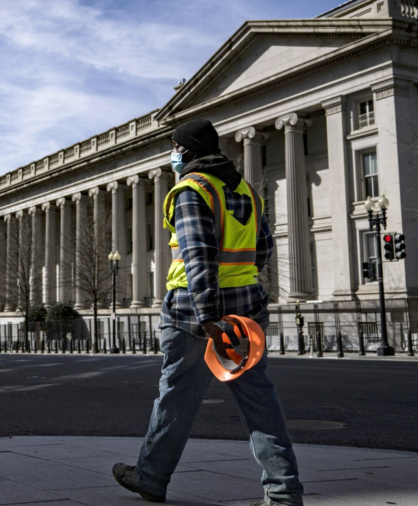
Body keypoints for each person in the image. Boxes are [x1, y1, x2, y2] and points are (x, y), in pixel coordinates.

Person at [113, 119, 304, 506]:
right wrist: (240, 282)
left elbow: (199, 254)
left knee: (176, 396)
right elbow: (262, 247)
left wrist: (208, 317)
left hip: (194, 314)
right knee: (259, 400)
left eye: (174, 146)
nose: (172, 153)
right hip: (247, 309)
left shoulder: (190, 190)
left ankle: (151, 477)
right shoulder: (245, 190)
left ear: (186, 150)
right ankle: (284, 493)